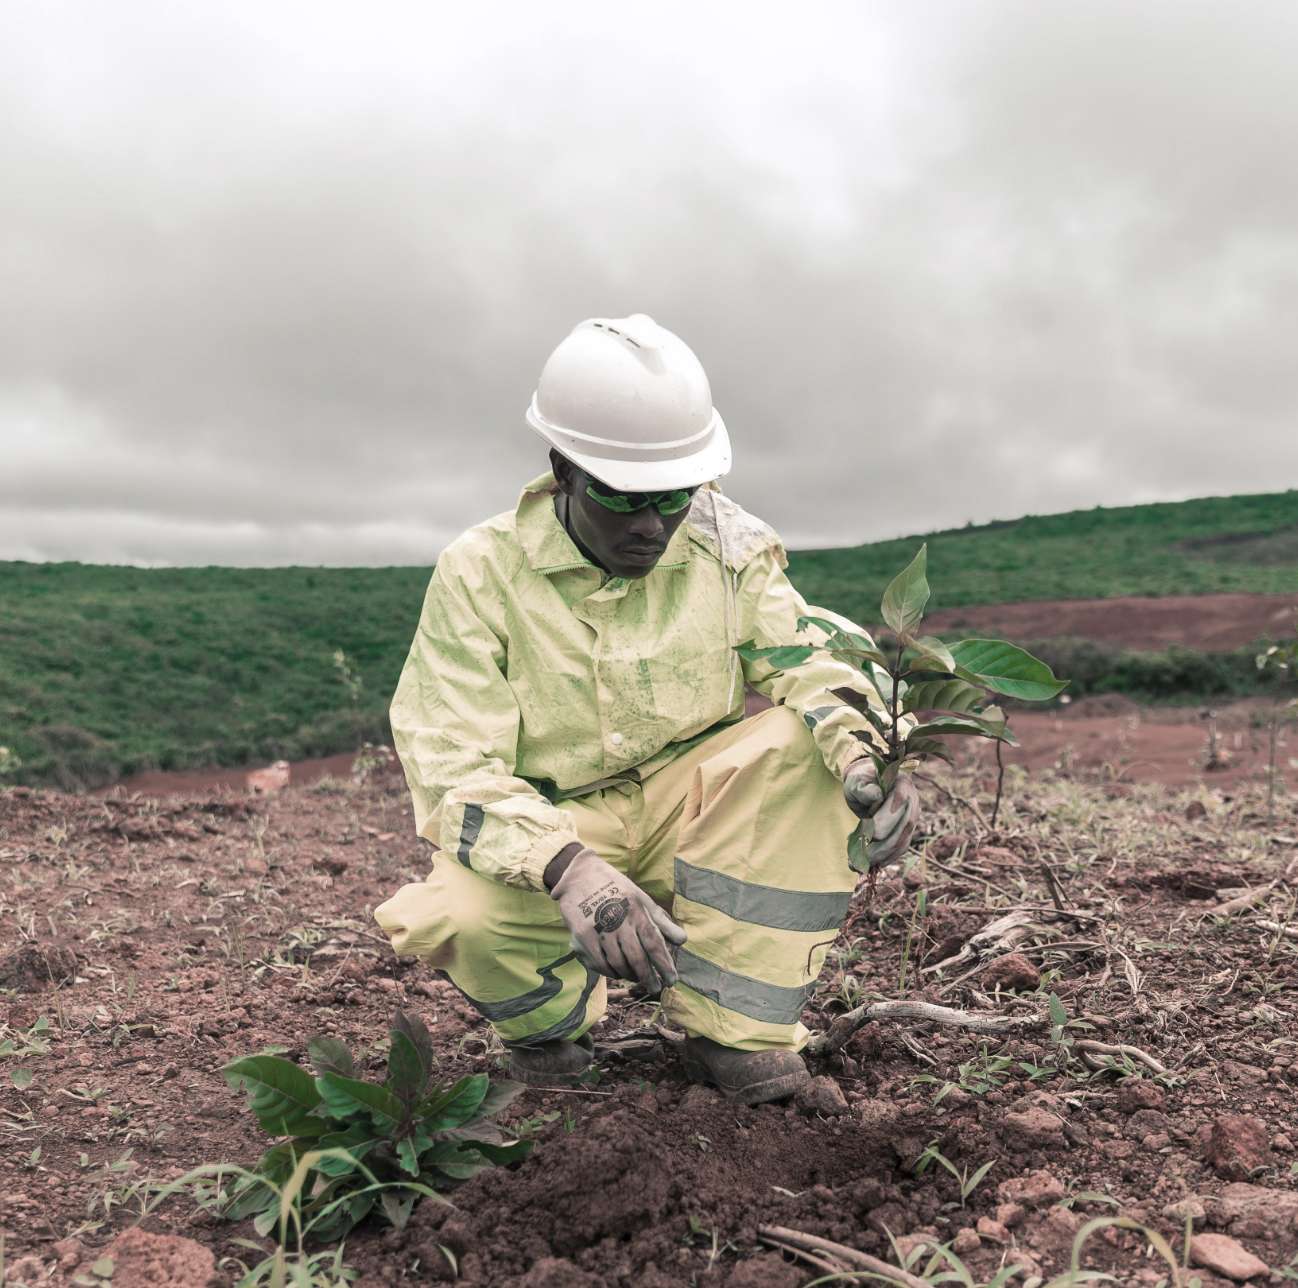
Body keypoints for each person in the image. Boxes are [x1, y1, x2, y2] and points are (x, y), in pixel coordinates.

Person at [375, 314, 920, 1105]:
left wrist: (871, 751)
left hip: (694, 807)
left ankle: (733, 1037)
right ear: (561, 469)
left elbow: (809, 658)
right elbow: (451, 759)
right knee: (464, 911)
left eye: (674, 498)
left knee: (804, 745)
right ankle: (551, 1038)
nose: (651, 525)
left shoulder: (730, 547)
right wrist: (567, 866)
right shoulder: (480, 573)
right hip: (555, 822)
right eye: (621, 498)